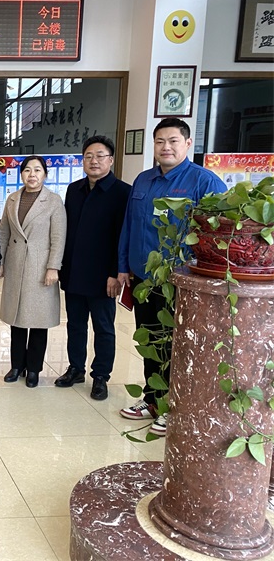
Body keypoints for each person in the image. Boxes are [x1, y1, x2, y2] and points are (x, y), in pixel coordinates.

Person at [117, 117, 226, 437]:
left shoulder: (204, 182)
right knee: (149, 339)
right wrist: (123, 266)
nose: (166, 147)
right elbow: (129, 225)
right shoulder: (143, 180)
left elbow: (219, 235)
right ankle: (153, 399)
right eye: (160, 141)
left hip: (181, 281)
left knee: (176, 345)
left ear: (188, 144)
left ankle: (174, 407)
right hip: (143, 278)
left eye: (173, 141)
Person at [56, 136, 131, 401]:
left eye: (100, 156)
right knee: (75, 324)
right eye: (88, 156)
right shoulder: (74, 190)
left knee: (103, 327)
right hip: (74, 271)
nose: (94, 161)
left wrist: (115, 272)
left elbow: (123, 236)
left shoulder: (122, 192)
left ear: (110, 160)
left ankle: (101, 376)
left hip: (103, 276)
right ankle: (76, 368)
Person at [0, 155, 66, 388]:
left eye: (37, 170)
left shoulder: (53, 201)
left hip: (40, 267)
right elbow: (4, 233)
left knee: (38, 320)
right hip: (16, 264)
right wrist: (0, 262)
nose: (32, 175)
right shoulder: (12, 199)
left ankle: (34, 369)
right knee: (16, 318)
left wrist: (53, 267)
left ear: (45, 174)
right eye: (27, 170)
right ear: (21, 174)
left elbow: (58, 237)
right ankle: (16, 366)